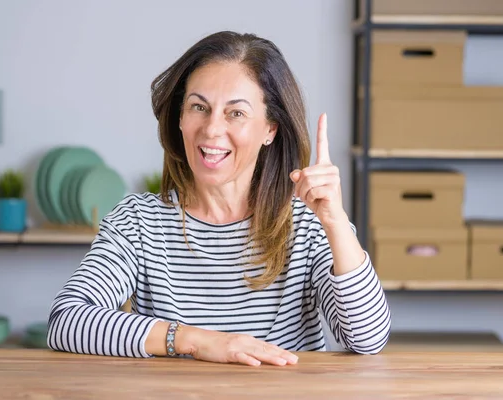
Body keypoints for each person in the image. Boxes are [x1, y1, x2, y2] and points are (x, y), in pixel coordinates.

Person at [47, 30, 391, 367]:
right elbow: (68, 320)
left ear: (269, 129)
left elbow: (368, 339)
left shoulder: (306, 223)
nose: (211, 129)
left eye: (235, 112)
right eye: (199, 107)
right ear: (180, 117)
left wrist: (335, 222)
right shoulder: (138, 222)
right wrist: (198, 341)